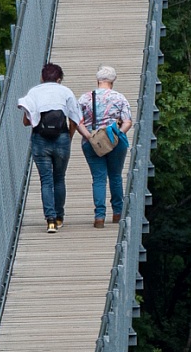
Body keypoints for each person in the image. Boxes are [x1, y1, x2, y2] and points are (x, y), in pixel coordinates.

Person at [18, 62, 92, 232]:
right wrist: (70, 137)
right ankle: (59, 217)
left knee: (46, 180)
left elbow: (25, 122)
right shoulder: (65, 92)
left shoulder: (33, 92)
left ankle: (50, 220)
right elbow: (75, 119)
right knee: (59, 178)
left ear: (42, 77)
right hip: (62, 139)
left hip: (40, 140)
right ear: (59, 79)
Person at [78, 65, 132, 226]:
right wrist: (117, 135)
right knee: (115, 176)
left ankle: (99, 217)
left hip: (92, 141)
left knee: (98, 178)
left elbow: (78, 122)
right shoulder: (120, 98)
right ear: (112, 81)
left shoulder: (85, 98)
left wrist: (89, 136)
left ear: (98, 80)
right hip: (115, 140)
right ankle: (117, 213)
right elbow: (128, 122)